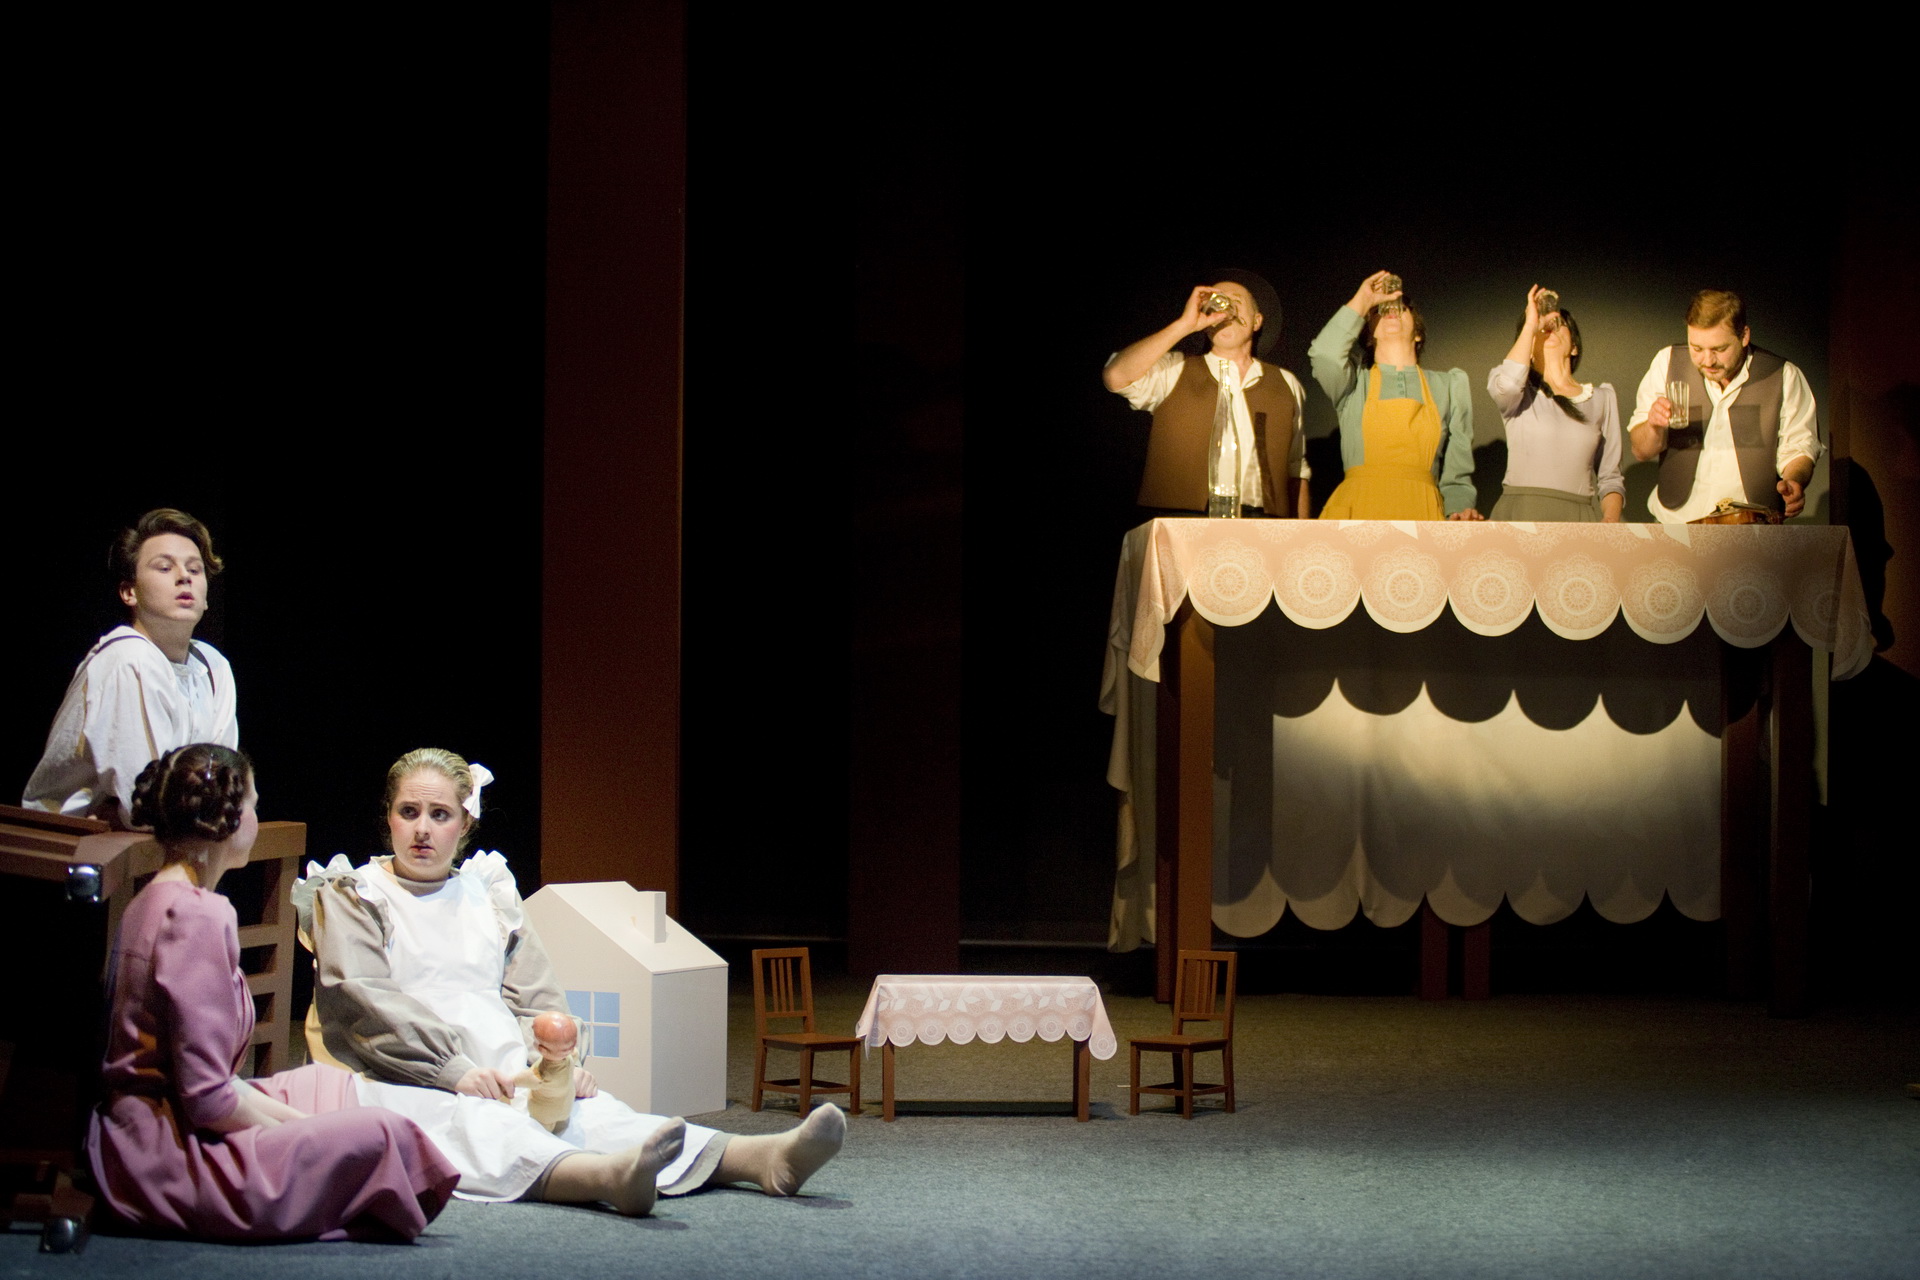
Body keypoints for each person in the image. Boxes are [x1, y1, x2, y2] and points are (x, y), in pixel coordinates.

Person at [294, 748, 846, 1214]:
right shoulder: (354, 893)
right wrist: (451, 1070)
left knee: (593, 1113)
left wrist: (560, 1062)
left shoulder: (488, 894)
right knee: (479, 1127)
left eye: (440, 814)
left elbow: (535, 996)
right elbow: (364, 1000)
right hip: (402, 1070)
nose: (422, 829)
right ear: (389, 817)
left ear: (464, 825)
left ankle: (756, 1158)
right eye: (409, 811)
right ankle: (607, 1179)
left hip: (502, 1061)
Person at [87, 744, 460, 1241]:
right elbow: (209, 1100)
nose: (257, 819)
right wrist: (296, 1133)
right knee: (380, 1133)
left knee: (328, 1088)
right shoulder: (198, 915)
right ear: (227, 818)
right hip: (167, 1152)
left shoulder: (152, 896)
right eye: (254, 805)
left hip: (152, 1124)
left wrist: (302, 1122)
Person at [23, 508, 238, 827]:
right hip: (70, 841)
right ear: (129, 592)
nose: (185, 577)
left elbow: (225, 785)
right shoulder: (129, 659)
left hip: (176, 835)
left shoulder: (213, 666)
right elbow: (144, 807)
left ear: (207, 598)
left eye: (195, 569)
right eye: (164, 567)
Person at [1102, 273, 1312, 516]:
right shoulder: (1174, 369)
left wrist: (1303, 531)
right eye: (1216, 302)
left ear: (1256, 321)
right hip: (1182, 519)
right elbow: (1116, 376)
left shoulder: (1286, 383)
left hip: (1264, 521)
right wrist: (1185, 324)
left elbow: (1296, 469)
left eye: (1236, 301)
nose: (1225, 309)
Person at [1627, 289, 1820, 522]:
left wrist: (1794, 480)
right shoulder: (1666, 363)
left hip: (1749, 524)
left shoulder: (1783, 375)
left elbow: (1799, 446)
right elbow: (1641, 450)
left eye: (1719, 349)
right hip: (1675, 522)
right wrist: (1653, 425)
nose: (1707, 361)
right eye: (1696, 348)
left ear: (1744, 336)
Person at [1309, 271, 1479, 520]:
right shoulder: (1354, 382)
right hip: (1359, 509)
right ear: (1368, 336)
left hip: (1422, 512)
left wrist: (1458, 511)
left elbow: (1457, 474)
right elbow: (1324, 354)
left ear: (1418, 333)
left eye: (1402, 308)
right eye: (1378, 311)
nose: (1390, 311)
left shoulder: (1449, 386)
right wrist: (1363, 300)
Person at [1488, 286, 1625, 522]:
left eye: (1558, 323)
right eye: (1542, 327)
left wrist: (1610, 522)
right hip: (1520, 514)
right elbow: (1507, 385)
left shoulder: (1601, 398)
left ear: (1574, 346)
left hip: (1577, 518)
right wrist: (1531, 325)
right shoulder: (1520, 396)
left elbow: (1610, 477)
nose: (1548, 328)